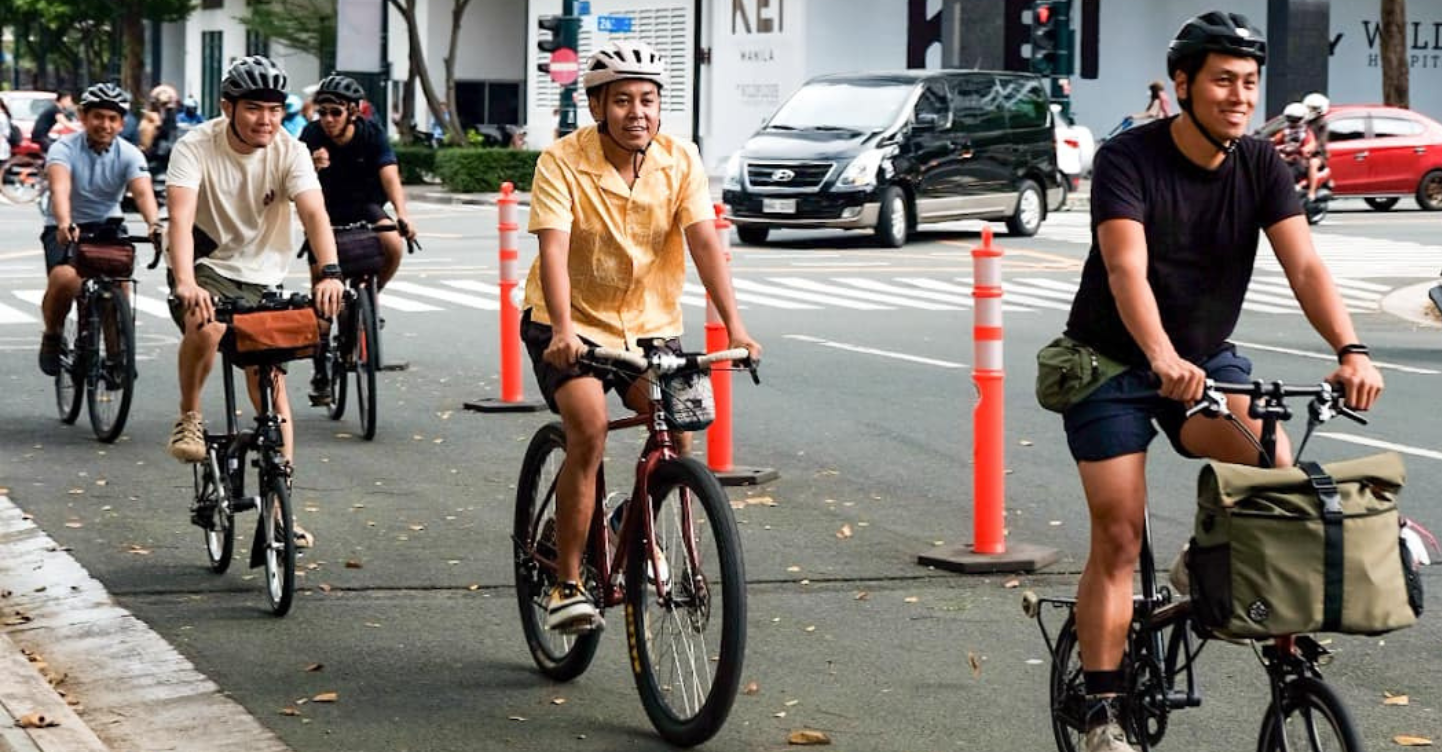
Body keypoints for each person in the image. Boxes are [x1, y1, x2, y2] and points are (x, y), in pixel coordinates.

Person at [1056, 12, 1382, 752]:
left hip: (1203, 358)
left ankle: (1216, 570)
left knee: (1275, 461)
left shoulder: (1262, 164)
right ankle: (1104, 710)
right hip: (1109, 363)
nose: (1239, 96)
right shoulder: (1128, 159)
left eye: (1249, 83)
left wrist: (1352, 349)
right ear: (1183, 85)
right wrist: (1162, 357)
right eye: (1222, 81)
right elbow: (1125, 269)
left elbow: (1305, 267)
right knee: (1116, 529)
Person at [521, 39, 761, 634]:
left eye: (648, 100)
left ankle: (632, 519)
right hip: (568, 325)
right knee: (590, 429)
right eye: (622, 100)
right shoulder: (561, 161)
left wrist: (737, 326)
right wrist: (566, 331)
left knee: (679, 436)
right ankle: (566, 584)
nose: (637, 112)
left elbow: (705, 242)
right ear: (597, 106)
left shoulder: (681, 159)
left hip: (650, 327)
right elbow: (553, 249)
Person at [164, 56, 345, 547]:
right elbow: (178, 220)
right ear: (228, 108)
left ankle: (281, 513)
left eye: (274, 108)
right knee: (207, 325)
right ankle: (190, 417)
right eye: (253, 109)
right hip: (205, 269)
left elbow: (314, 212)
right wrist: (185, 281)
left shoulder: (290, 149)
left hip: (264, 277)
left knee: (272, 388)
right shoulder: (195, 146)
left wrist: (328, 273)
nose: (266, 119)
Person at [297, 73, 418, 403]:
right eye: (322, 112)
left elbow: (389, 173)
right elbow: (293, 179)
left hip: (365, 205)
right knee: (320, 290)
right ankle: (320, 373)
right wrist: (312, 164)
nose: (328, 120)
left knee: (393, 242)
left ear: (353, 111)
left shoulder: (370, 133)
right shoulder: (311, 135)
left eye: (335, 112)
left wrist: (402, 213)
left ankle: (369, 297)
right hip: (325, 212)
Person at [36, 84, 164, 377]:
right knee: (66, 279)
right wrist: (65, 221)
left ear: (121, 122)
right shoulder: (63, 148)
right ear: (83, 117)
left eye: (112, 118)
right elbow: (60, 188)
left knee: (117, 286)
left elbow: (143, 193)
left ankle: (117, 354)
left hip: (107, 225)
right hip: (65, 223)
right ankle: (52, 336)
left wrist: (154, 225)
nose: (105, 125)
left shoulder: (130, 153)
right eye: (98, 117)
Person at [1272, 102, 1320, 200]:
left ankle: (1311, 192)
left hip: (1300, 160)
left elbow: (1310, 145)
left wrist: (1301, 149)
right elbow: (1274, 141)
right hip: (1286, 158)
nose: (1293, 121)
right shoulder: (1285, 131)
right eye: (1291, 118)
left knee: (1311, 164)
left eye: (1295, 119)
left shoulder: (1306, 132)